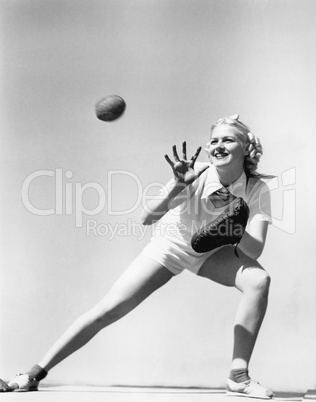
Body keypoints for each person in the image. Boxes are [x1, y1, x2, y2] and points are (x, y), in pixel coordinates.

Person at [1, 115, 273, 398]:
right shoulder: (199, 173)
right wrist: (180, 185)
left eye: (227, 139)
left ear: (246, 148)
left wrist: (236, 229)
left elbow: (255, 250)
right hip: (171, 245)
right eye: (214, 140)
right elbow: (147, 218)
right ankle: (33, 373)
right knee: (110, 309)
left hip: (211, 252)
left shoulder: (256, 189)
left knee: (258, 280)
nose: (218, 145)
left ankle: (238, 377)